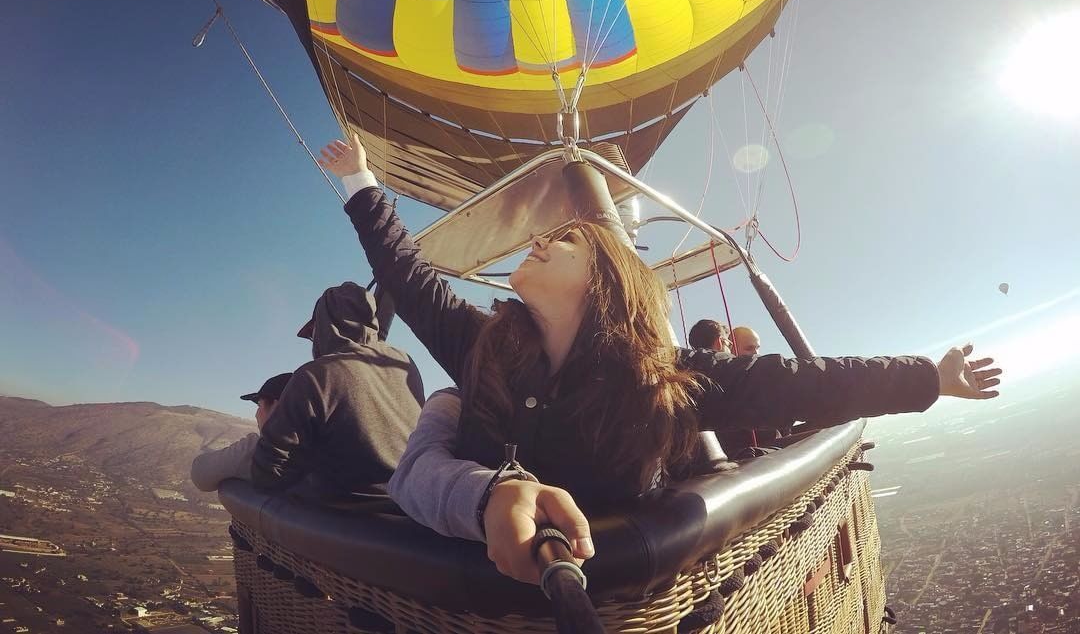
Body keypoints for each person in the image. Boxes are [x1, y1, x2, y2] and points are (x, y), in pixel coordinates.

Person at [319, 134, 1002, 584]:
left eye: (561, 239)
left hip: (623, 596)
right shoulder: (482, 347)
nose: (535, 243)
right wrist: (360, 184)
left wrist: (929, 377)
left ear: (604, 277)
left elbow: (807, 385)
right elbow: (410, 279)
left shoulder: (666, 380)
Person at [190, 282, 425, 498]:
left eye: (313, 333)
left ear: (325, 325)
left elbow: (269, 474)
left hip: (348, 515)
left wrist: (268, 436)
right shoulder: (404, 362)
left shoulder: (317, 374)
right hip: (407, 503)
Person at [190, 372, 292, 492]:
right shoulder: (316, 447)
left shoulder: (263, 450)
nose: (256, 414)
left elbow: (200, 474)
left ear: (276, 407)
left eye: (259, 405)